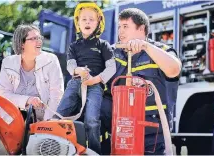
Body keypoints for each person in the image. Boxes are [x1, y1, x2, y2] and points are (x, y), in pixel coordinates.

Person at [98, 8, 181, 155]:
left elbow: (174, 69)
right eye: (119, 27)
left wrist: (146, 46)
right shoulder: (112, 53)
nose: (120, 31)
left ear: (141, 28)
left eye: (125, 26)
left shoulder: (160, 51)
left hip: (153, 136)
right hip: (120, 134)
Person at [54, 2, 116, 154]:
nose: (87, 22)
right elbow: (70, 65)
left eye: (91, 19)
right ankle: (56, 147)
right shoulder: (73, 46)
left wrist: (96, 80)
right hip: (75, 83)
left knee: (92, 121)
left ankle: (93, 152)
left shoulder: (104, 45)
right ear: (78, 23)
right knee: (59, 116)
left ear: (98, 23)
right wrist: (77, 70)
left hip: (95, 86)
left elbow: (111, 68)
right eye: (84, 19)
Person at [0, 24, 64, 121]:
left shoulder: (51, 60)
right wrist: (28, 100)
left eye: (39, 38)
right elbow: (4, 95)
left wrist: (46, 123)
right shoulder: (8, 63)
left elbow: (56, 95)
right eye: (33, 38)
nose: (39, 41)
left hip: (43, 118)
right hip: (12, 118)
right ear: (22, 44)